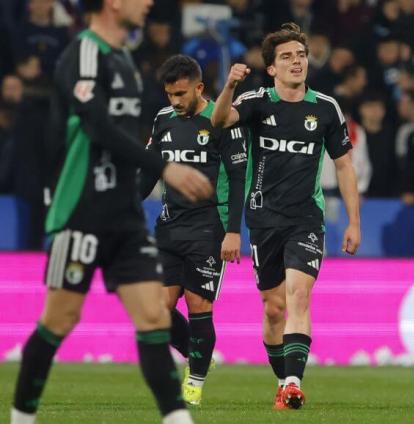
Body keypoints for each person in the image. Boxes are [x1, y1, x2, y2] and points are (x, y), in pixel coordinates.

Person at [10, 1, 213, 424]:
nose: (149, 4)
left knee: (154, 316)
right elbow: (96, 125)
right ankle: (21, 418)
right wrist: (163, 167)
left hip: (124, 218)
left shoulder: (124, 58)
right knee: (59, 319)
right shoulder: (83, 53)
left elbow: (119, 137)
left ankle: (177, 418)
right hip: (81, 212)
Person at [211, 22, 361, 410]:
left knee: (299, 295)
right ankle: (282, 380)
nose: (297, 62)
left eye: (301, 55)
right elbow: (218, 122)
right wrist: (229, 86)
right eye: (286, 57)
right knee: (273, 307)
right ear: (272, 68)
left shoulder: (325, 108)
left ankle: (294, 382)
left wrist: (353, 221)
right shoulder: (258, 101)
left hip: (306, 219)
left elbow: (344, 166)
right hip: (263, 219)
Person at [139, 54, 247, 406]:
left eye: (181, 94)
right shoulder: (162, 120)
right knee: (157, 308)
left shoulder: (222, 119)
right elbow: (150, 171)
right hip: (170, 224)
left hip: (208, 226)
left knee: (199, 303)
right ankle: (197, 353)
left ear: (199, 88)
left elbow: (236, 176)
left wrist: (233, 232)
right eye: (170, 94)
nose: (174, 101)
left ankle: (195, 381)